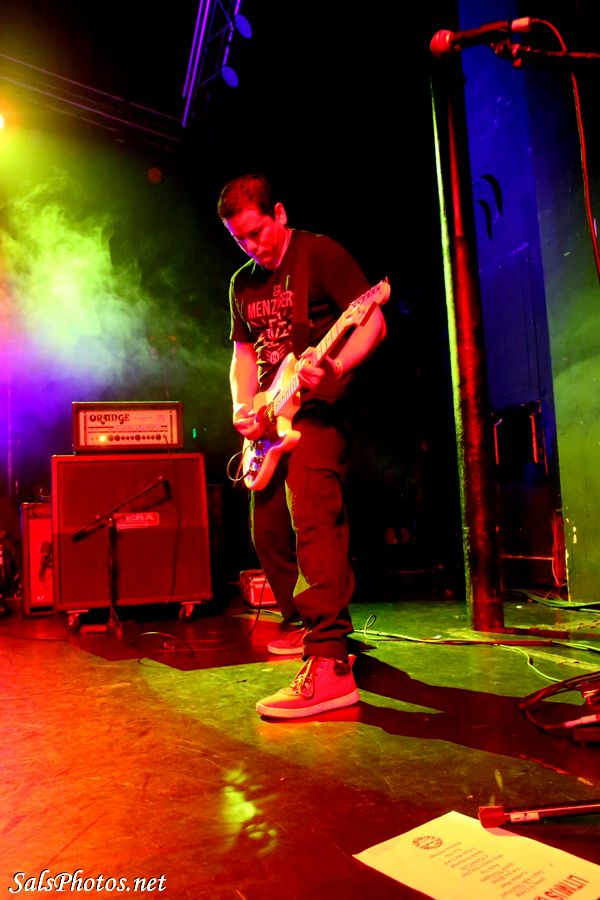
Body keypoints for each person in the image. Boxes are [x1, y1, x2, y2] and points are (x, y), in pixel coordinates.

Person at [217, 173, 387, 718]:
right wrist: (242, 407)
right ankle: (302, 624)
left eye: (257, 232)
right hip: (272, 417)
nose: (252, 246)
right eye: (240, 239)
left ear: (280, 214)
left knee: (312, 514)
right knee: (265, 528)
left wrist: (334, 365)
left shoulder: (320, 253)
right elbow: (243, 356)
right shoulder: (241, 284)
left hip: (320, 410)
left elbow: (372, 322)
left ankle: (331, 659)